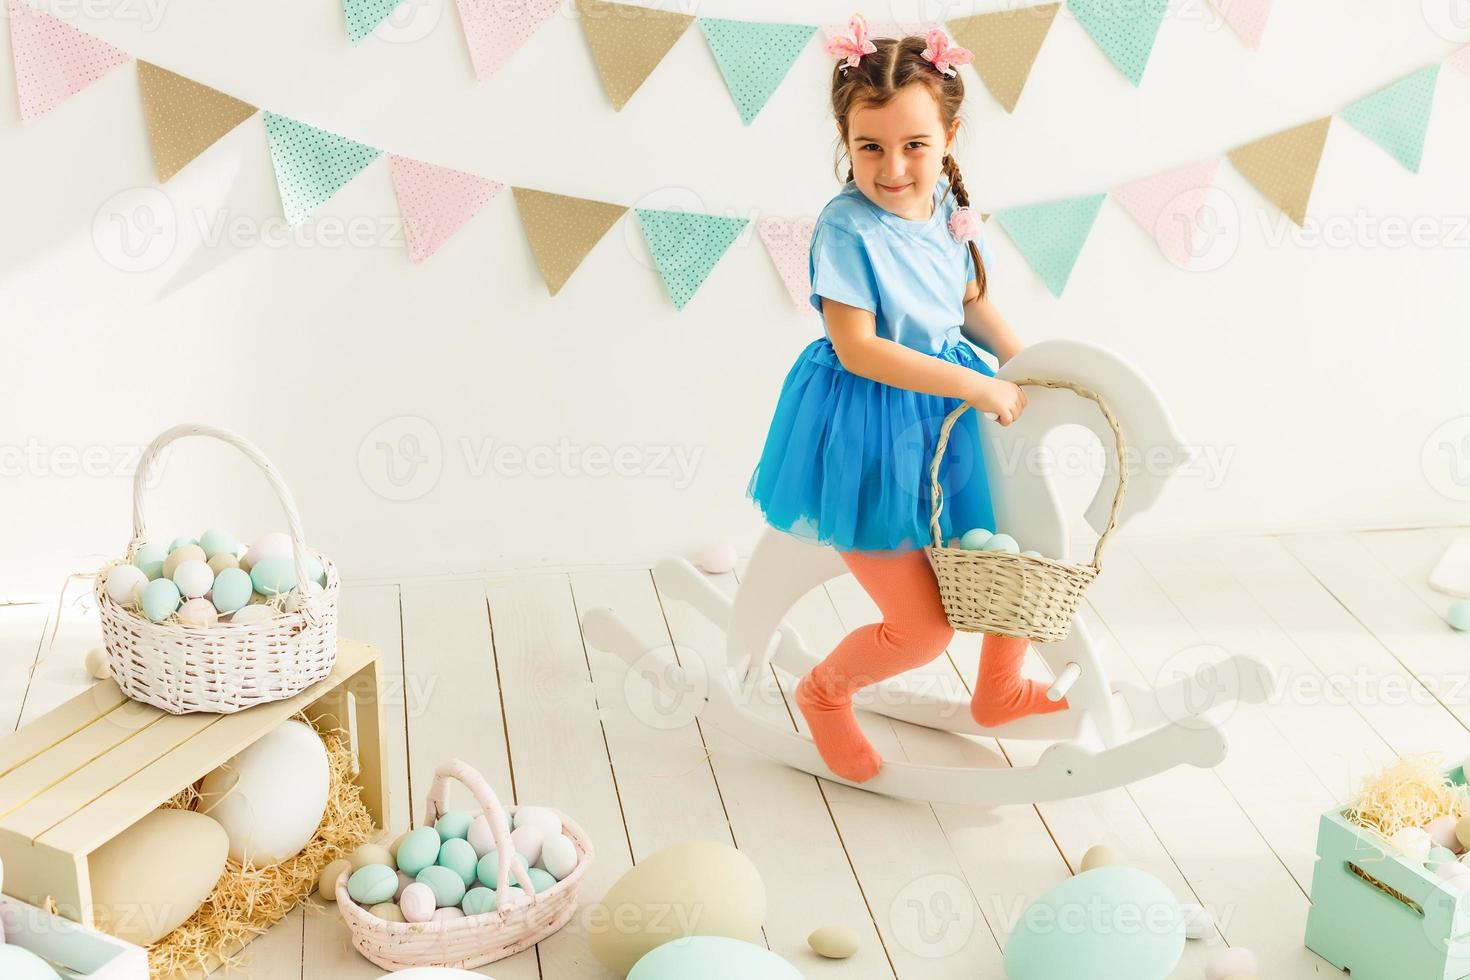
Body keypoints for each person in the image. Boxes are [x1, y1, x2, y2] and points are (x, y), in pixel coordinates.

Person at [745, 15, 1068, 783]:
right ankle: (825, 693)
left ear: (949, 137)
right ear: (845, 138)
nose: (893, 168)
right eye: (871, 147)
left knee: (1002, 556)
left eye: (914, 145)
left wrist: (1028, 364)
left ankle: (1000, 689)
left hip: (946, 419)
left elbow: (967, 306)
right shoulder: (844, 228)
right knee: (923, 629)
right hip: (867, 422)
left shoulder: (947, 215)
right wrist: (975, 382)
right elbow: (859, 345)